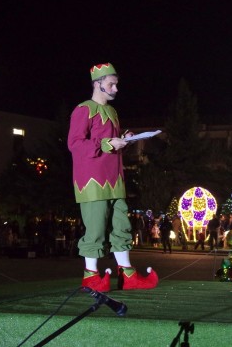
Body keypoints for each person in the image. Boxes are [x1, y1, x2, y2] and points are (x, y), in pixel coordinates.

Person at [68, 63, 158, 292]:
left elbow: (110, 145)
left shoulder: (112, 112)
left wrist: (124, 139)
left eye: (116, 84)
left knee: (122, 225)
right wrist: (108, 143)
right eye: (112, 84)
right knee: (95, 229)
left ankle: (127, 273)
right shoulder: (83, 109)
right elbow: (75, 144)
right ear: (98, 84)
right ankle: (90, 277)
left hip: (115, 178)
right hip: (92, 180)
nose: (116, 88)